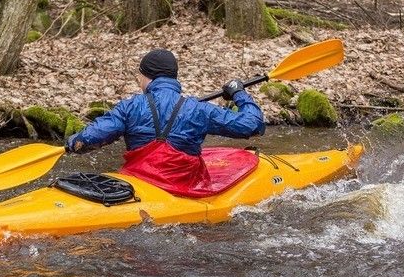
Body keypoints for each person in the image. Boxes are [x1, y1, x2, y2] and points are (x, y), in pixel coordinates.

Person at [66, 48, 265, 197]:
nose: (138, 80)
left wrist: (75, 140)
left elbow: (93, 137)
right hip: (186, 188)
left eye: (139, 75)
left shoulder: (130, 106)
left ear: (146, 76)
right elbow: (251, 124)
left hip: (140, 185)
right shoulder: (198, 109)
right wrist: (239, 93)